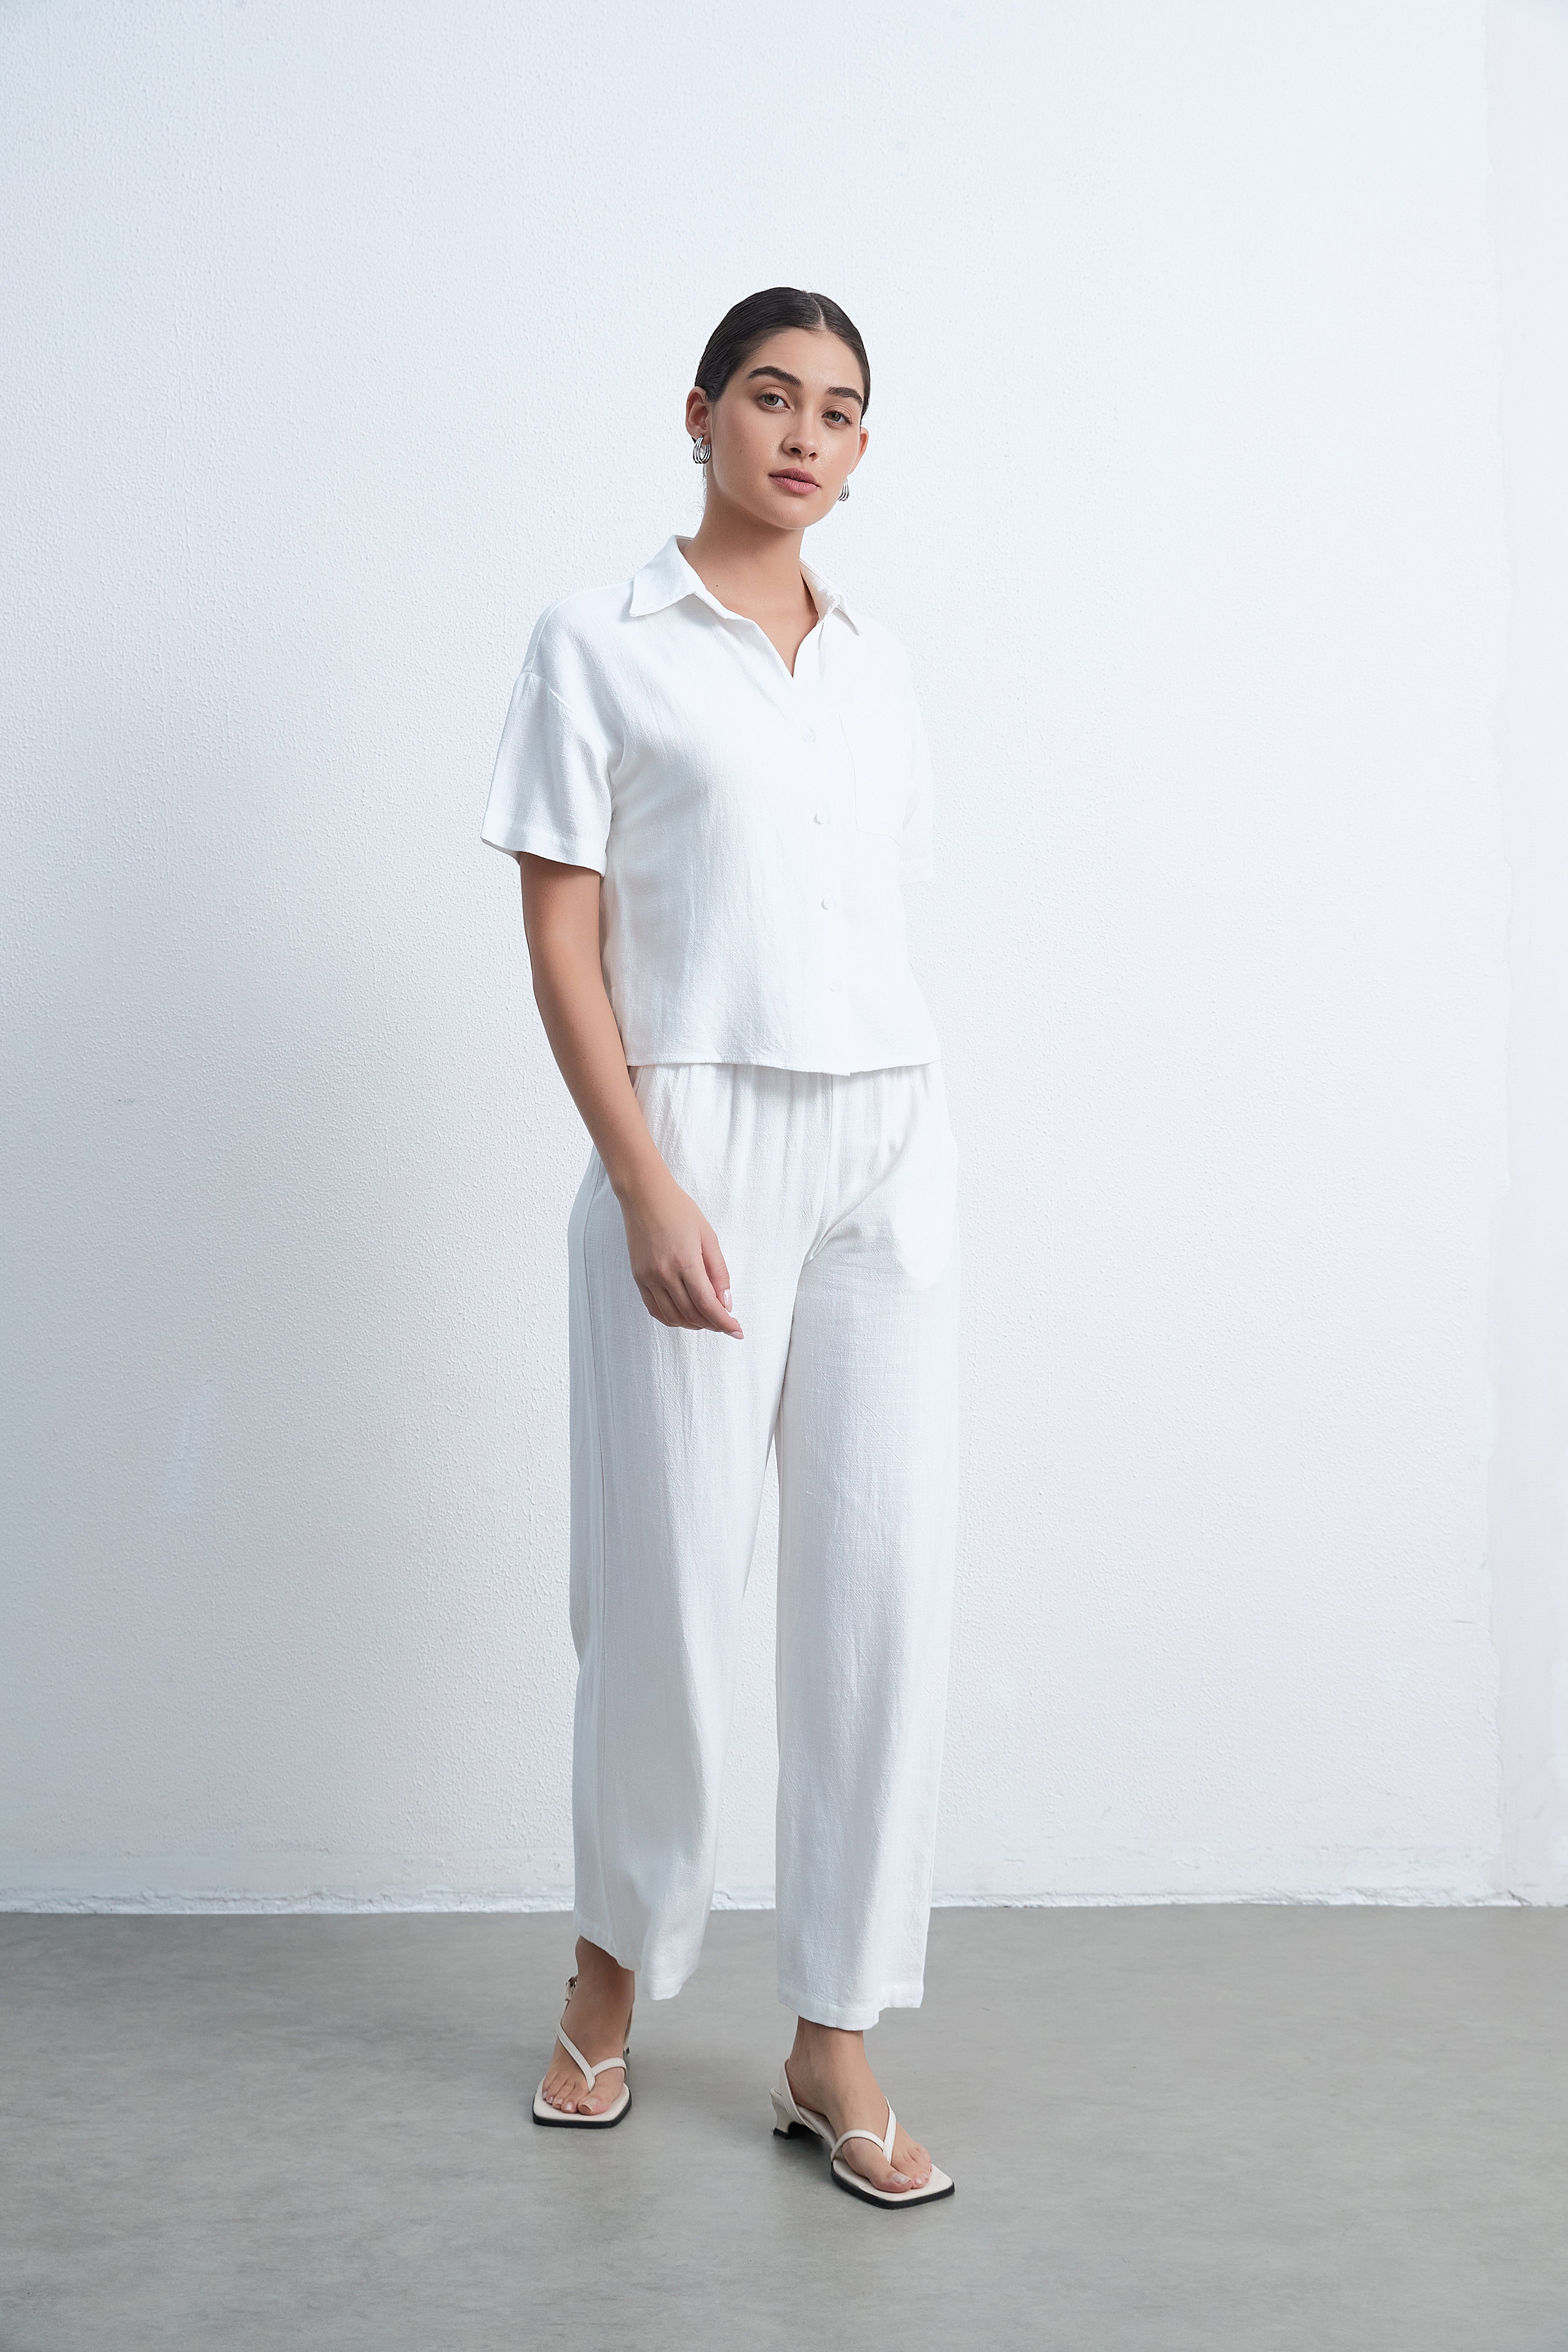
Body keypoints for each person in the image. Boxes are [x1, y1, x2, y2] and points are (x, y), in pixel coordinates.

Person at [481, 287, 960, 2208]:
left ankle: (832, 2034)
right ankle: (607, 1977)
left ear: (861, 451)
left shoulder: (878, 664)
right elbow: (561, 939)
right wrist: (647, 1179)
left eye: (839, 411)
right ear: (701, 415)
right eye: (773, 397)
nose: (804, 435)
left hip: (890, 1134)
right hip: (694, 1127)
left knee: (878, 1590)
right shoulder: (598, 641)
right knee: (663, 1590)